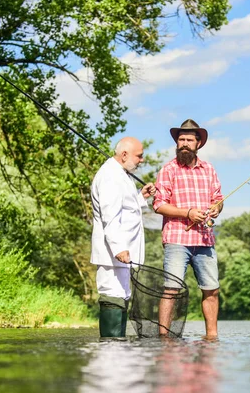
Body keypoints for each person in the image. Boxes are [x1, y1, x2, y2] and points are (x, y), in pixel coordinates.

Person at [153, 119, 223, 338]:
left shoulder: (209, 169)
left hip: (205, 240)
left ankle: (211, 337)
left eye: (189, 140)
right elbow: (159, 205)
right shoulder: (168, 170)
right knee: (171, 289)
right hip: (176, 239)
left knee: (211, 290)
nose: (184, 143)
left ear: (198, 143)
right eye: (181, 139)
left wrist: (216, 208)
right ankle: (164, 337)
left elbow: (218, 199)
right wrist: (188, 212)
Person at [91, 137, 156, 338]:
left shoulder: (121, 175)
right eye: (139, 156)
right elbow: (110, 215)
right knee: (113, 295)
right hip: (114, 254)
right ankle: (111, 348)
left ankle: (117, 348)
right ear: (124, 155)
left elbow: (125, 208)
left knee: (122, 295)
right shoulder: (110, 176)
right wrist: (119, 247)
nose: (142, 160)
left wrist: (140, 197)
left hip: (121, 255)